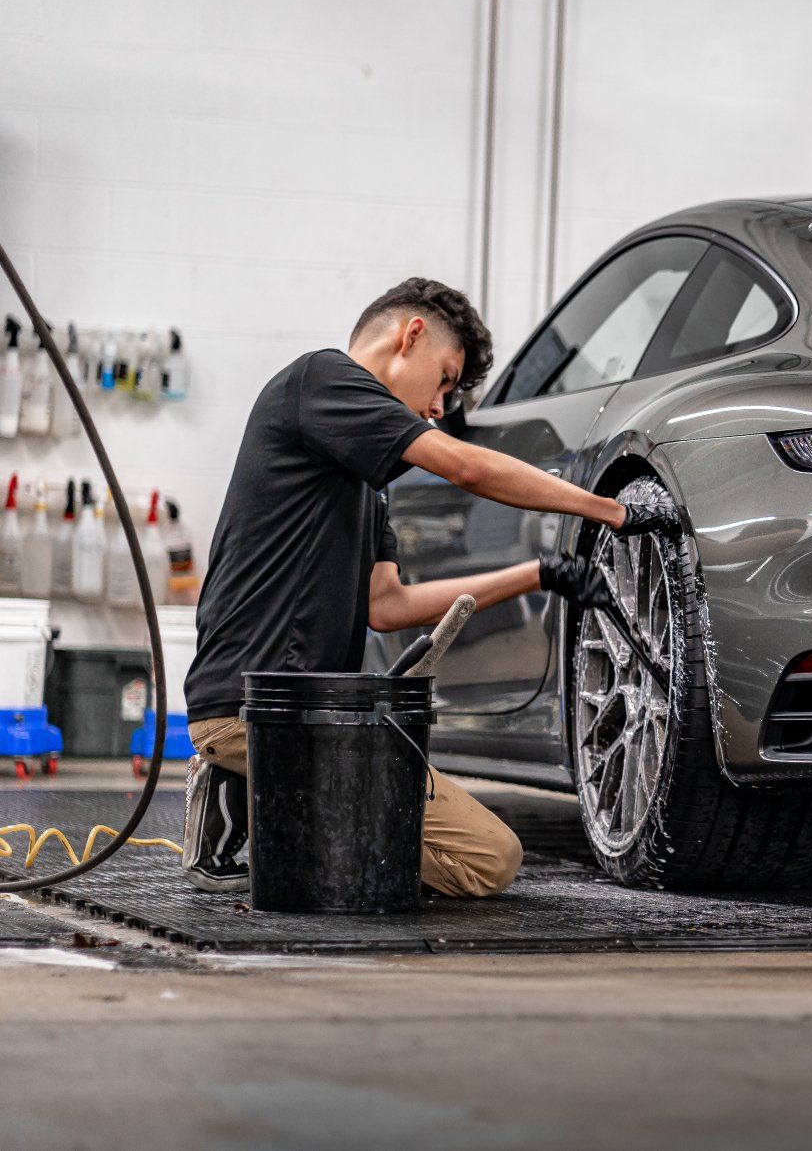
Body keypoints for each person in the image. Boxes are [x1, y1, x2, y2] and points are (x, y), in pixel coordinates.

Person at [180, 277, 662, 895]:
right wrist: (610, 511)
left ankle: (273, 810)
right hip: (251, 710)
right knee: (457, 861)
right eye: (444, 378)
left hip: (319, 719)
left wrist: (540, 574)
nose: (440, 406)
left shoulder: (366, 484)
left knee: (488, 857)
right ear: (410, 336)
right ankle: (252, 809)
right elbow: (463, 465)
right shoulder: (319, 379)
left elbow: (389, 607)